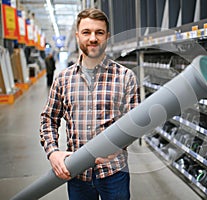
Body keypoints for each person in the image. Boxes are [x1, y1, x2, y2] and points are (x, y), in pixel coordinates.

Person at [40, 8, 139, 200]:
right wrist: (53, 152)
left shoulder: (126, 77)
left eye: (99, 32)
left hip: (114, 173)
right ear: (77, 35)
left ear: (107, 36)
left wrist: (119, 146)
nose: (93, 38)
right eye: (86, 32)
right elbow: (48, 119)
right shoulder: (63, 79)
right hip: (77, 174)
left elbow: (137, 123)